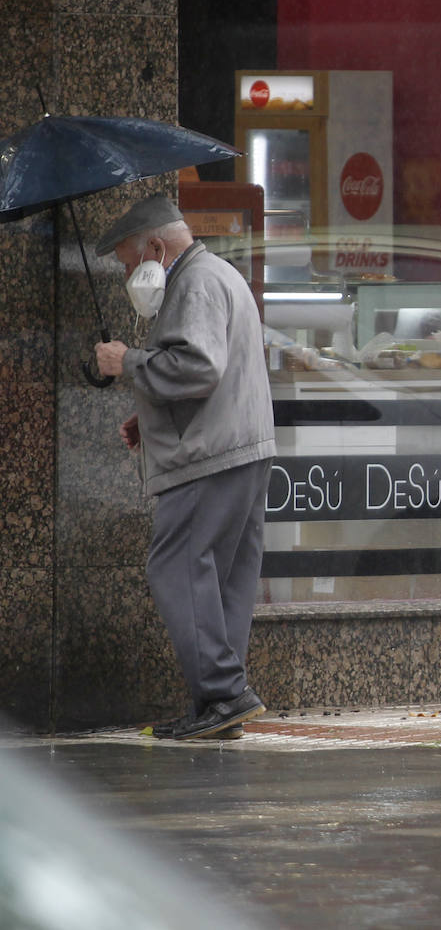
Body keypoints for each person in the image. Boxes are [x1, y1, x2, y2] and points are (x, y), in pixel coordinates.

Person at [93, 195, 276, 741]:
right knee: (221, 584)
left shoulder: (193, 282)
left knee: (175, 567)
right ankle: (219, 707)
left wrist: (124, 361)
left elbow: (197, 365)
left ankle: (224, 694)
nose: (129, 273)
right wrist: (149, 416)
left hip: (207, 457)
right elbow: (212, 371)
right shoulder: (220, 274)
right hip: (242, 449)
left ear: (155, 247)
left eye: (128, 261)